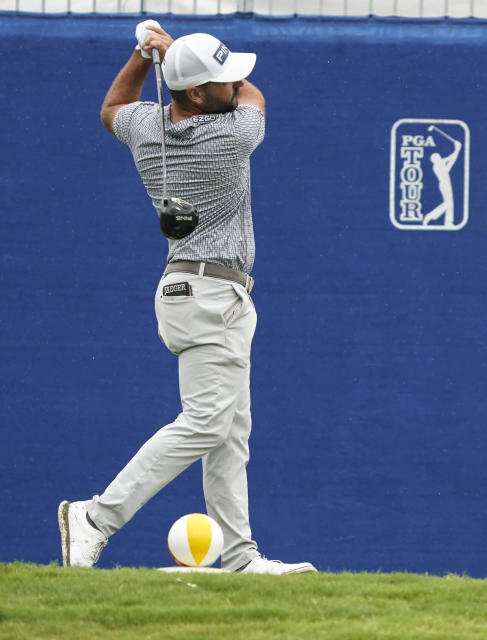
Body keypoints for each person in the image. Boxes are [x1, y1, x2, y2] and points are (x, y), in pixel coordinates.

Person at [57, 23, 316, 575]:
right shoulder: (233, 136)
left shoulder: (146, 127)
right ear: (198, 93)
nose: (236, 82)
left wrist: (142, 55)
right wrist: (172, 52)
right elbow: (254, 96)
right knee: (205, 423)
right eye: (222, 78)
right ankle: (96, 518)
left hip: (192, 292)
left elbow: (112, 108)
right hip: (211, 296)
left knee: (229, 432)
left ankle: (241, 558)